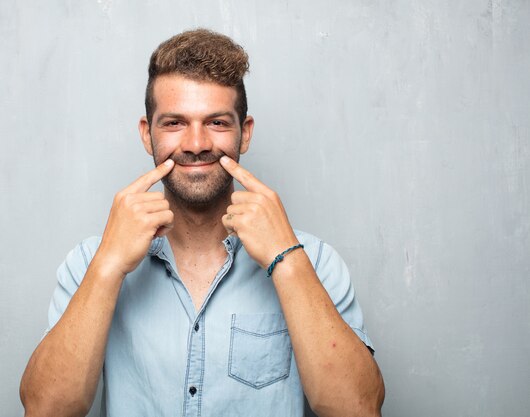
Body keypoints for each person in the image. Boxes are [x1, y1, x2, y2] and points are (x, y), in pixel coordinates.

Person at [20, 28, 385, 417]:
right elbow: (46, 409)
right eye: (175, 123)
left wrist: (287, 259)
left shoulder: (314, 261)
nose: (196, 144)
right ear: (148, 135)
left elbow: (359, 409)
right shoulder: (91, 261)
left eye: (217, 123)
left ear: (244, 134)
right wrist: (108, 266)